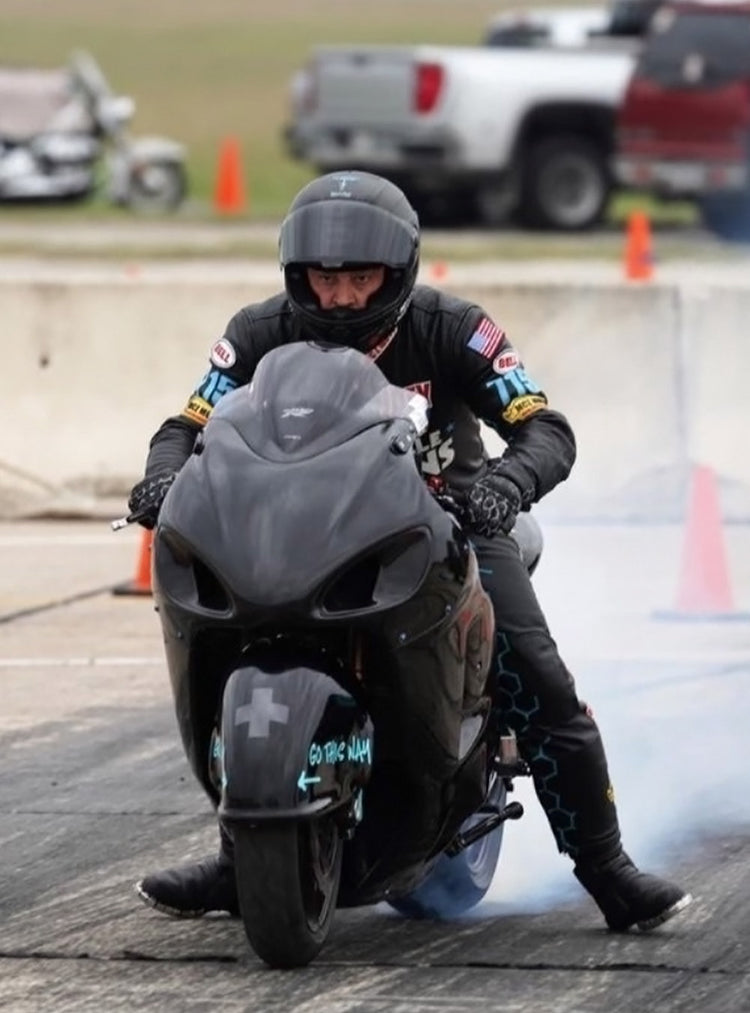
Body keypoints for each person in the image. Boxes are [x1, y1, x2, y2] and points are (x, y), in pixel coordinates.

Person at [129, 170, 691, 932]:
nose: (342, 298)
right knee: (223, 631)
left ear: (398, 275)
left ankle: (608, 866)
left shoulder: (456, 328)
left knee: (536, 674)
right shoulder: (257, 332)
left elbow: (545, 428)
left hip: (446, 526)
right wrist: (162, 480)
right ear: (299, 276)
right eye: (325, 279)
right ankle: (244, 856)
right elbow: (186, 424)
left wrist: (502, 487)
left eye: (361, 279)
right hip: (293, 527)